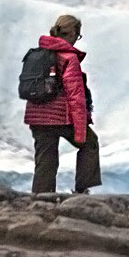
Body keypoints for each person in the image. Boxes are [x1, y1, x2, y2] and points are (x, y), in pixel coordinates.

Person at [24, 14, 101, 194]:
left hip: (37, 117)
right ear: (72, 33)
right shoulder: (69, 58)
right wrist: (80, 129)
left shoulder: (38, 54)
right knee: (90, 144)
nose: (77, 39)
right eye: (78, 35)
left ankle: (41, 199)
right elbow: (76, 96)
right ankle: (82, 191)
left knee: (45, 161)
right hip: (60, 117)